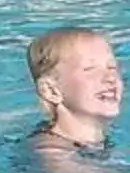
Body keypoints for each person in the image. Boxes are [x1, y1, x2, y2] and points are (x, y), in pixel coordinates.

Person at [26, 25, 123, 161]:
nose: (110, 78)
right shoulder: (51, 153)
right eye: (89, 69)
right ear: (51, 90)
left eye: (112, 67)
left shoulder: (95, 145)